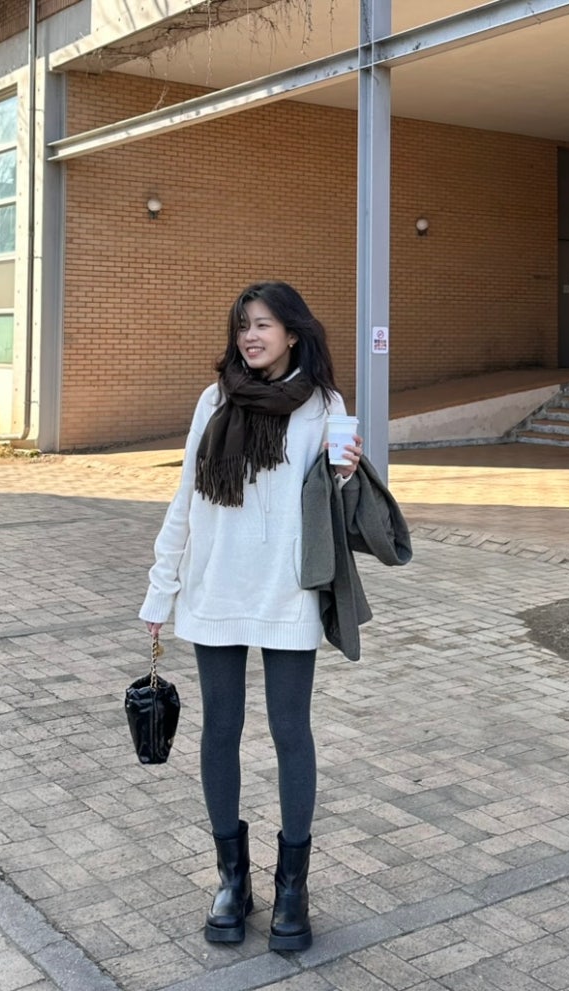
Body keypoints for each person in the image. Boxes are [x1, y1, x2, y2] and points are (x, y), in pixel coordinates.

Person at [139, 281, 362, 951]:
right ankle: (231, 880)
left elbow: (335, 499)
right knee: (221, 729)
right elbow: (185, 496)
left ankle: (292, 886)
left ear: (293, 333)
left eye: (264, 324)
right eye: (243, 325)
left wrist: (347, 472)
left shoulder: (325, 404)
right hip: (215, 587)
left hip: (287, 591)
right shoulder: (214, 400)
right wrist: (160, 588)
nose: (250, 336)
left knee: (291, 731)